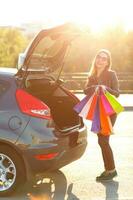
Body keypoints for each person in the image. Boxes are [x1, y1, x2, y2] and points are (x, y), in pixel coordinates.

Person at [84, 49, 120, 181]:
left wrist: (105, 88)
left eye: (104, 58)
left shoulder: (111, 74)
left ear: (107, 62)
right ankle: (109, 169)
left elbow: (117, 93)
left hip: (109, 112)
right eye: (99, 57)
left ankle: (111, 170)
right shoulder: (92, 75)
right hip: (98, 111)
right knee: (102, 141)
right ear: (96, 58)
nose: (101, 60)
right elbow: (85, 90)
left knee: (103, 141)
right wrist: (94, 87)